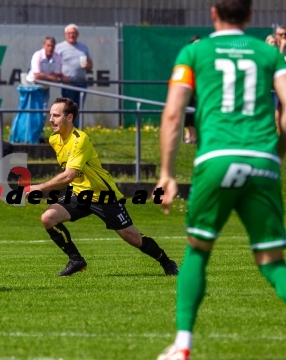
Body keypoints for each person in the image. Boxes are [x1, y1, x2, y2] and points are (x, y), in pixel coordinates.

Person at [155, 1, 286, 359]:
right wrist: (278, 151)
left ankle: (183, 344)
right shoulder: (269, 54)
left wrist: (167, 174)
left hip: (216, 159)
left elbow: (172, 113)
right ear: (250, 16)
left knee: (197, 250)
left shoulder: (194, 52)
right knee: (274, 262)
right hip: (262, 160)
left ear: (213, 13)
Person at [27, 97, 178, 277]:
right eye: (50, 115)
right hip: (79, 194)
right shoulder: (54, 139)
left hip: (104, 196)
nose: (51, 119)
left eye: (56, 115)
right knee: (48, 218)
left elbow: (69, 175)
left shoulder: (79, 140)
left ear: (69, 118)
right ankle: (76, 260)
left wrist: (40, 187)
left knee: (133, 238)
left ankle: (167, 262)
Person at [55, 24, 92, 129]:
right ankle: (66, 131)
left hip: (81, 83)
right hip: (68, 85)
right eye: (70, 33)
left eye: (74, 33)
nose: (72, 35)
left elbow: (90, 63)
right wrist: (61, 76)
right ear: (65, 34)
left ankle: (76, 132)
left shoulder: (83, 47)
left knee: (78, 109)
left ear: (78, 34)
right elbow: (55, 65)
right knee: (67, 110)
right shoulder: (59, 48)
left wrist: (88, 65)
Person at [25, 36, 65, 108]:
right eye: (48, 45)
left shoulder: (57, 57)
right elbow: (37, 75)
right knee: (31, 109)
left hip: (45, 86)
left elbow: (56, 74)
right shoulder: (38, 55)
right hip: (32, 86)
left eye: (52, 46)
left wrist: (46, 77)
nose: (50, 48)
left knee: (43, 109)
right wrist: (51, 78)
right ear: (43, 45)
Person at [183, 35, 200, 144]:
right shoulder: (188, 57)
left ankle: (193, 135)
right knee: (188, 112)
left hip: (200, 90)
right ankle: (190, 134)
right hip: (190, 88)